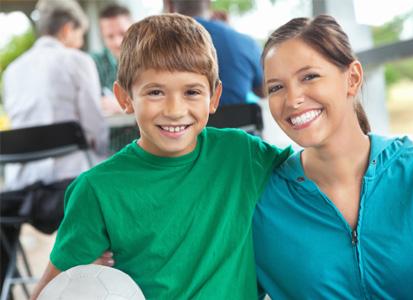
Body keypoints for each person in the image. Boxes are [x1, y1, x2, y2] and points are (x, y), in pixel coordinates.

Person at [31, 13, 291, 299]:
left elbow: (317, 172)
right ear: (125, 98)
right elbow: (46, 293)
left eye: (192, 92)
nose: (174, 109)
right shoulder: (96, 191)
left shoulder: (242, 154)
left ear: (214, 98)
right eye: (155, 92)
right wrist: (80, 286)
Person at [252, 15, 413, 299]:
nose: (292, 99)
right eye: (276, 87)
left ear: (352, 79)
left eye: (309, 76)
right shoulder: (261, 204)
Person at [1, 0, 109, 288]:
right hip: (68, 190)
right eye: (79, 35)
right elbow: (95, 131)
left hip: (17, 195)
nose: (80, 42)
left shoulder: (12, 70)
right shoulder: (77, 61)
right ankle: (105, 284)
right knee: (115, 179)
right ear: (65, 29)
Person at [166, 0, 265, 105]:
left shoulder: (158, 42)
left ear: (169, 4)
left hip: (182, 120)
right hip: (240, 120)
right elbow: (265, 91)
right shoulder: (245, 42)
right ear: (209, 3)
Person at [91, 4, 133, 115]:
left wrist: (117, 105)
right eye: (110, 36)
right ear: (102, 37)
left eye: (122, 33)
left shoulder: (150, 60)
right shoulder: (92, 63)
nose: (117, 42)